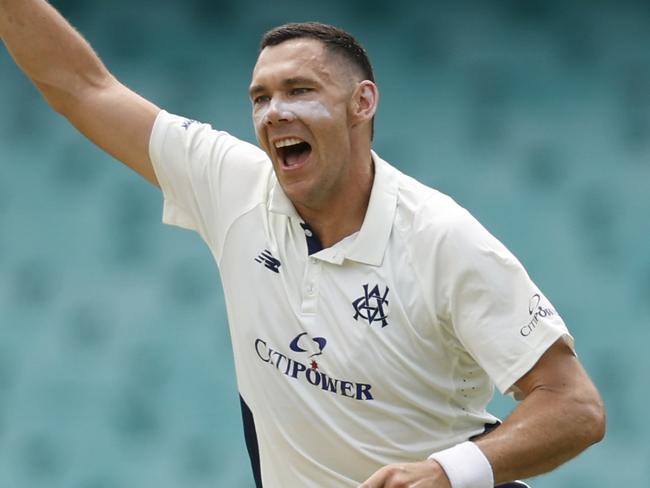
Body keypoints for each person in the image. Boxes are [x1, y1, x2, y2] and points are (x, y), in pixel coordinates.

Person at [0, 2, 605, 487]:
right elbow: (81, 86)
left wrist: (447, 473)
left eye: (299, 90)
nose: (273, 112)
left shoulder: (445, 241)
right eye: (260, 97)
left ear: (361, 103)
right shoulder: (231, 182)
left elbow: (575, 406)